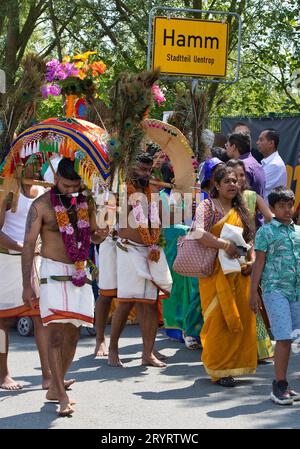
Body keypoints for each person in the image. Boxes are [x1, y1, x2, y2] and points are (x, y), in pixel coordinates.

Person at [21, 158, 104, 416]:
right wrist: (27, 284)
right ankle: (62, 396)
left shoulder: (85, 201)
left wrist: (104, 229)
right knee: (55, 334)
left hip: (79, 270)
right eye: (66, 185)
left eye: (75, 186)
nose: (71, 191)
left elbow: (95, 235)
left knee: (73, 334)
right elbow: (27, 244)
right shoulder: (41, 205)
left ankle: (56, 386)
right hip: (52, 272)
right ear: (56, 179)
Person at [107, 153, 172, 368]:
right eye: (141, 170)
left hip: (151, 250)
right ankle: (112, 349)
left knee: (151, 303)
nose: (146, 174)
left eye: (148, 170)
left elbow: (163, 219)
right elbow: (109, 217)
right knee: (126, 303)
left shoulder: (153, 192)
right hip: (129, 250)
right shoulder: (121, 191)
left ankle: (147, 353)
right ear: (130, 168)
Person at [195, 165, 257, 387]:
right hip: (214, 273)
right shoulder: (207, 206)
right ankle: (219, 370)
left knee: (241, 316)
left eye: (235, 181)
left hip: (239, 273)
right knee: (218, 320)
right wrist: (224, 245)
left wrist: (251, 258)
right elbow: (197, 232)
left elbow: (250, 239)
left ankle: (235, 365)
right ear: (217, 185)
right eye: (227, 181)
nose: (233, 184)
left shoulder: (240, 210)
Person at [0, 160, 51, 390]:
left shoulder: (42, 190)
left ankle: (48, 376)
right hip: (7, 260)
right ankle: (3, 374)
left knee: (40, 318)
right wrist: (22, 247)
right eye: (30, 161)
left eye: (39, 159)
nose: (37, 164)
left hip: (35, 262)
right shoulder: (6, 189)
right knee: (2, 322)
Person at [250, 187, 300, 405]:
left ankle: (286, 385)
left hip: (296, 291)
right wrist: (253, 292)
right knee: (283, 337)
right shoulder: (266, 232)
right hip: (275, 291)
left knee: (293, 338)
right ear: (272, 208)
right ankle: (279, 384)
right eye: (281, 206)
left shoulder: (298, 231)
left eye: (290, 205)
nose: (287, 210)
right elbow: (258, 263)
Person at [227, 159, 274, 362]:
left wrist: (259, 243)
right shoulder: (223, 200)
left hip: (249, 253)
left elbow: (271, 218)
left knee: (251, 302)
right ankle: (233, 351)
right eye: (234, 176)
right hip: (227, 256)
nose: (238, 179)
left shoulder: (251, 197)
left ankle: (259, 349)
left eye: (241, 175)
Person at [160, 165, 203, 350]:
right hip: (167, 245)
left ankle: (186, 324)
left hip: (184, 246)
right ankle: (173, 326)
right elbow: (165, 223)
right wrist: (188, 230)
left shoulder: (186, 196)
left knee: (186, 286)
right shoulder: (161, 196)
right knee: (171, 286)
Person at [226, 133, 265, 197]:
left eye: (227, 145)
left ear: (233, 147)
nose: (226, 149)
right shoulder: (255, 162)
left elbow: (239, 195)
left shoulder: (241, 167)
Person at [256, 129, 287, 202]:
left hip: (268, 212)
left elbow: (257, 187)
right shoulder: (268, 162)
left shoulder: (275, 165)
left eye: (261, 140)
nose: (257, 143)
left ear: (271, 143)